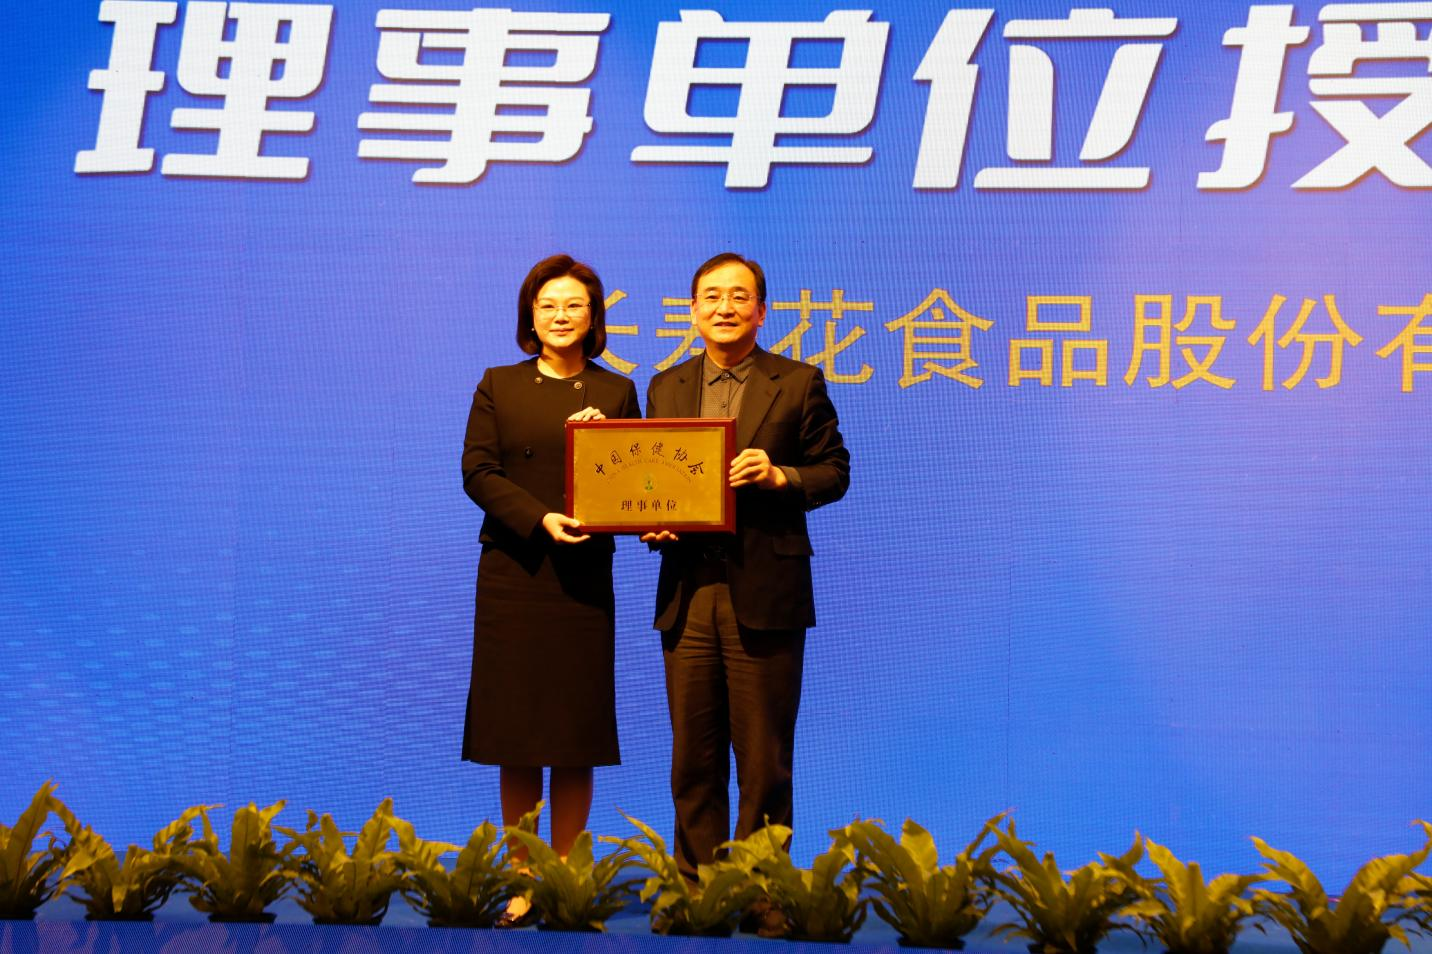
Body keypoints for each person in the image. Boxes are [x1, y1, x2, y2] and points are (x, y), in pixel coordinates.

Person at [642, 253, 850, 898]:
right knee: (692, 758)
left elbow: (834, 471)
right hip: (687, 590)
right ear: (693, 310)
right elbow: (651, 480)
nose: (724, 307)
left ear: (761, 311)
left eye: (738, 296)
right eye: (711, 296)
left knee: (764, 761)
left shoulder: (798, 381)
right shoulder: (666, 387)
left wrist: (780, 475)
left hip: (765, 590)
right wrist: (651, 521)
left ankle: (762, 894)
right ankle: (698, 894)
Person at [460, 254, 640, 915]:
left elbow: (638, 479)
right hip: (515, 571)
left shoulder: (617, 392)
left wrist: (611, 440)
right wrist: (539, 518)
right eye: (548, 306)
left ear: (594, 318)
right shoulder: (498, 385)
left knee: (573, 731)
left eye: (574, 306)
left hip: (582, 577)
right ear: (530, 317)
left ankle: (565, 877)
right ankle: (521, 879)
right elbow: (478, 471)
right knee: (516, 733)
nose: (561, 316)